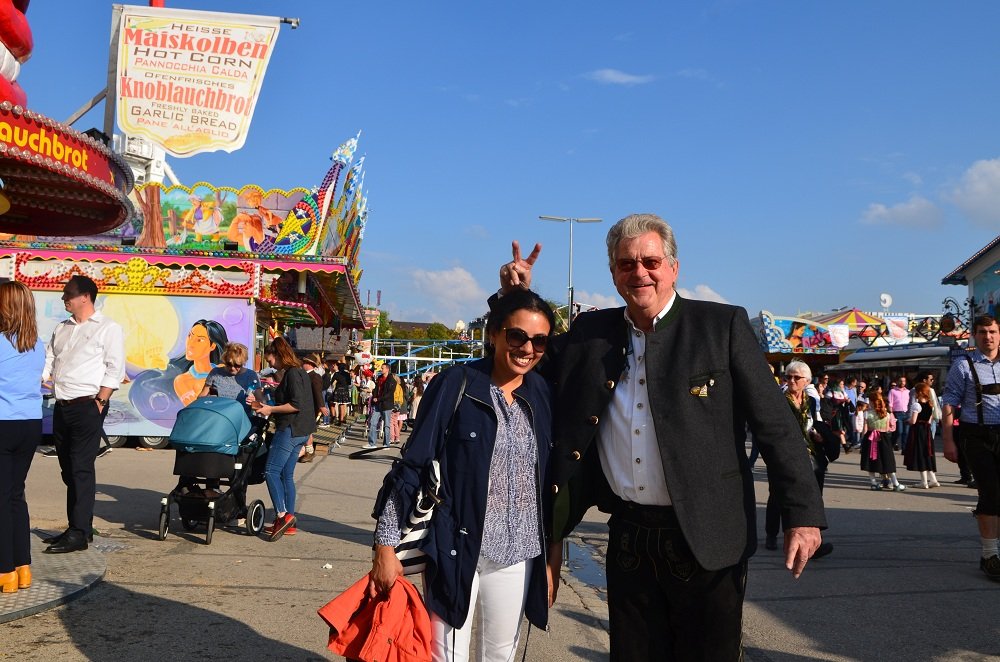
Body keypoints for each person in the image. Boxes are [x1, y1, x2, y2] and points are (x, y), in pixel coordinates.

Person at [499, 214, 826, 661]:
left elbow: (777, 427)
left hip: (709, 538)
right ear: (613, 273)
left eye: (650, 261)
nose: (639, 272)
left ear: (674, 267)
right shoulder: (590, 335)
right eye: (626, 264)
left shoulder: (722, 326)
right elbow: (519, 368)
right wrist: (513, 298)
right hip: (630, 537)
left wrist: (802, 514)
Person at [369, 288, 554, 662]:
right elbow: (413, 464)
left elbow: (549, 483)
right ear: (495, 334)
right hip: (455, 545)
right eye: (517, 336)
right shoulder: (457, 383)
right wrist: (385, 545)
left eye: (539, 341)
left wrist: (554, 557)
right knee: (446, 655)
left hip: (518, 552)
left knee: (500, 655)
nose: (526, 348)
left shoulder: (541, 393)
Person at [41, 275, 125, 554]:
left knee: (80, 467)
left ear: (86, 297)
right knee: (68, 468)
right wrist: (45, 378)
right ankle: (80, 526)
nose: (64, 299)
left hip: (88, 404)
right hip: (63, 405)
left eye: (69, 294)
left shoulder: (107, 328)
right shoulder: (62, 328)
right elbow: (50, 357)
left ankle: (78, 532)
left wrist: (101, 400)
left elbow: (115, 367)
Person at [942, 314, 1000, 580]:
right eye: (981, 332)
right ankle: (989, 555)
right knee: (989, 490)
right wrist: (949, 441)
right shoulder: (963, 365)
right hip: (975, 435)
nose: (987, 336)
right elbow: (949, 404)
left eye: (992, 331)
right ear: (974, 335)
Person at [0, 282, 46, 593]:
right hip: (30, 423)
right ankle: (22, 567)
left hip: (2, 422)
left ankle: (4, 571)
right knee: (16, 494)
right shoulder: (36, 344)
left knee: (1, 499)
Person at [764, 361, 833, 558]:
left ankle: (812, 543)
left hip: (810, 454)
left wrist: (818, 435)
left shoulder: (810, 401)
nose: (791, 381)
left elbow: (815, 422)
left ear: (807, 381)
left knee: (812, 497)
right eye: (788, 377)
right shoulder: (778, 400)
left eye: (796, 377)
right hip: (783, 455)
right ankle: (771, 534)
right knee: (778, 495)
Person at [250, 337, 315, 541]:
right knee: (286, 475)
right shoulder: (300, 372)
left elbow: (295, 404)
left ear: (278, 355)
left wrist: (270, 408)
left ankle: (282, 515)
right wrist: (263, 401)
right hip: (301, 430)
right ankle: (290, 520)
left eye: (270, 360)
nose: (270, 364)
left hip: (290, 429)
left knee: (270, 471)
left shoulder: (293, 373)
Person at [861, 391, 905, 491]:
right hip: (884, 438)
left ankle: (873, 482)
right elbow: (891, 428)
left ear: (872, 402)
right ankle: (895, 483)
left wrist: (862, 440)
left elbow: (865, 429)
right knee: (887, 460)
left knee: (871, 460)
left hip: (870, 438)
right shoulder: (887, 414)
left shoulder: (867, 413)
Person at [904, 382, 940, 489]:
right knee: (927, 453)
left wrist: (908, 421)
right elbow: (929, 420)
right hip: (926, 430)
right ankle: (933, 479)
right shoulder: (930, 404)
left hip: (918, 431)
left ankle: (924, 481)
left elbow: (913, 421)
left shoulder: (917, 405)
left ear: (919, 392)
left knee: (919, 453)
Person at [299, 354, 327, 463]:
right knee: (306, 430)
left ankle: (309, 452)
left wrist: (321, 406)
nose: (302, 364)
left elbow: (317, 393)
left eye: (304, 362)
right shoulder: (303, 375)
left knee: (307, 430)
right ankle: (307, 451)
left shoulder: (315, 376)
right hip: (304, 407)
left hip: (310, 408)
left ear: (310, 364)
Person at [366, 362, 397, 449]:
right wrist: (374, 398)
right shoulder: (379, 378)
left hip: (386, 405)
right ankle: (372, 443)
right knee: (372, 422)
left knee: (387, 425)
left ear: (387, 369)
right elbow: (376, 389)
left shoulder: (392, 381)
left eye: (382, 368)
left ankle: (386, 444)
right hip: (377, 404)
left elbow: (389, 394)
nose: (381, 369)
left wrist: (378, 399)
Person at [889, 376, 911, 452]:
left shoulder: (908, 392)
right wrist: (891, 413)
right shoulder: (893, 391)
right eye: (901, 381)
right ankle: (891, 445)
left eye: (904, 381)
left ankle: (904, 449)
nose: (902, 383)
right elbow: (890, 403)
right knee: (899, 431)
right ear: (898, 381)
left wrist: (910, 414)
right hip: (897, 413)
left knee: (906, 432)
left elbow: (910, 403)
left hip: (906, 413)